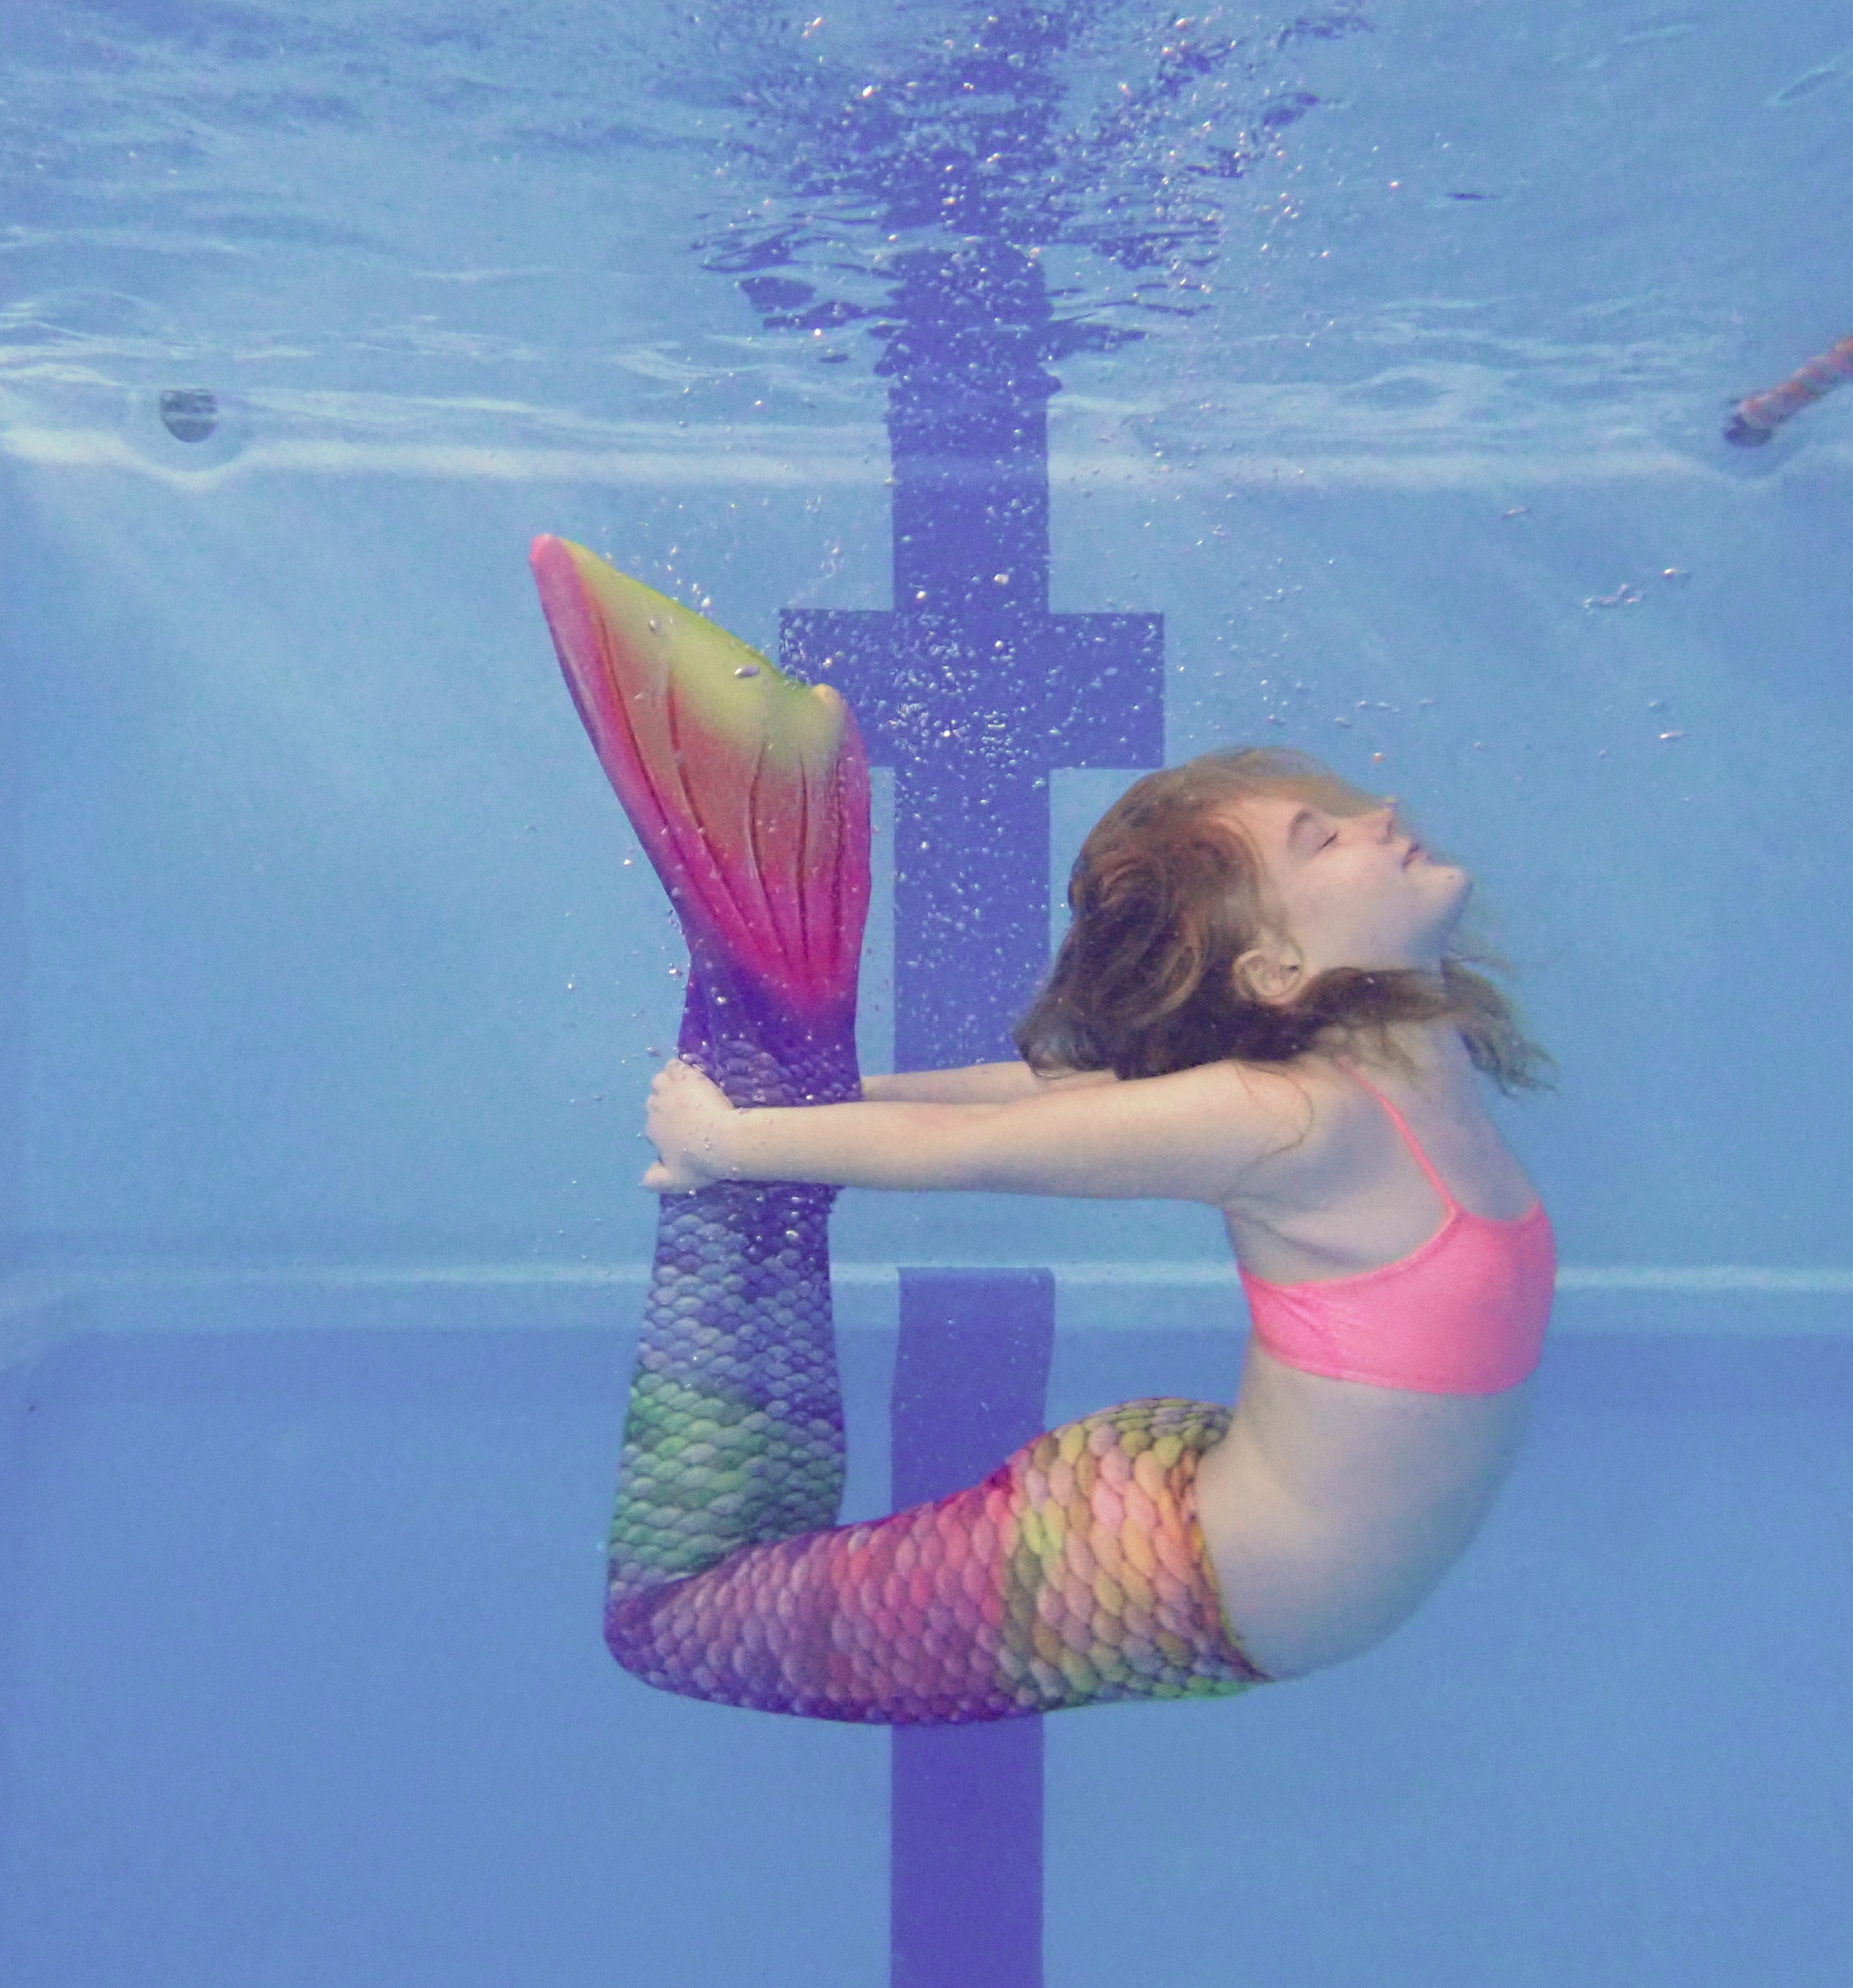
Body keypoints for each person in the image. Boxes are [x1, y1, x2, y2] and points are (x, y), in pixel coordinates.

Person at [533, 536, 1554, 1725]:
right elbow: (979, 1151)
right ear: (1275, 970)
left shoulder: (1384, 1067)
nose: (1379, 813)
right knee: (676, 1619)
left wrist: (809, 1105)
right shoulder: (1299, 1119)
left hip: (1201, 1537)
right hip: (1167, 1576)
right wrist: (726, 1140)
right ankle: (763, 1038)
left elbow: (1056, 1094)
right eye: (1321, 838)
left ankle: (775, 1024)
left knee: (712, 1605)